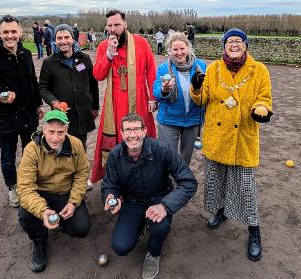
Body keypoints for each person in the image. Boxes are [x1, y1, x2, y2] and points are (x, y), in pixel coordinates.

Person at [190, 27, 273, 262]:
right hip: (216, 139)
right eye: (229, 42)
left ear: (246, 45)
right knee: (217, 180)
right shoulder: (214, 69)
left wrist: (261, 111)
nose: (234, 45)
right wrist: (196, 86)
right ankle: (221, 211)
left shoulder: (259, 70)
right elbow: (201, 100)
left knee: (246, 187)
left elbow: (264, 99)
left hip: (242, 139)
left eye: (239, 41)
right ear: (223, 46)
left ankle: (254, 229)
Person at [102, 113, 197, 279]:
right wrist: (111, 196)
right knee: (121, 247)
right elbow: (110, 183)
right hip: (132, 202)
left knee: (160, 228)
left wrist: (165, 206)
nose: (132, 135)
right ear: (122, 133)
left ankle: (153, 253)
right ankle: (140, 224)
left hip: (159, 199)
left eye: (137, 129)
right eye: (128, 130)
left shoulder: (162, 149)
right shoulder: (115, 155)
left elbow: (189, 182)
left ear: (145, 131)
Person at [0, 15, 44, 208]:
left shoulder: (26, 54)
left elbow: (33, 82)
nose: (10, 36)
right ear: (0, 33)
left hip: (28, 115)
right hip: (6, 118)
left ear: (20, 32)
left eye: (13, 31)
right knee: (8, 156)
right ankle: (13, 187)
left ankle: (28, 183)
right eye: (5, 32)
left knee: (30, 153)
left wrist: (38, 104)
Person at [17, 110, 91, 273]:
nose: (55, 138)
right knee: (26, 215)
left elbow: (82, 174)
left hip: (65, 193)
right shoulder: (31, 149)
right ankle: (39, 242)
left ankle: (62, 220)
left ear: (67, 129)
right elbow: (25, 188)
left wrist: (73, 201)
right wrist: (42, 211)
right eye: (51, 132)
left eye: (60, 132)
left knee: (81, 229)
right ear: (43, 130)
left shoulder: (76, 144)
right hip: (40, 193)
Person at [91, 10, 158, 184]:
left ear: (125, 24)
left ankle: (144, 176)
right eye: (110, 26)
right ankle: (117, 178)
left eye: (117, 25)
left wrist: (153, 97)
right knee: (117, 139)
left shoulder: (141, 43)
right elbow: (98, 75)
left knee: (140, 136)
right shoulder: (103, 47)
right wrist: (109, 54)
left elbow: (151, 71)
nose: (113, 29)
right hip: (114, 103)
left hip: (140, 100)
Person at [39, 23, 99, 150]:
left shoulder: (84, 59)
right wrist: (54, 102)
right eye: (59, 38)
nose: (63, 41)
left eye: (66, 37)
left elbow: (93, 84)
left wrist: (95, 107)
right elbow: (43, 88)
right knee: (61, 149)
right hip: (61, 115)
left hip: (82, 113)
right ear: (55, 40)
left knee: (80, 148)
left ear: (72, 38)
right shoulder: (49, 63)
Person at [153, 32, 206, 165]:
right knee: (167, 157)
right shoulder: (164, 68)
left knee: (185, 159)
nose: (179, 52)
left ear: (188, 47)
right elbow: (156, 91)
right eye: (175, 49)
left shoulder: (201, 66)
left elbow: (208, 90)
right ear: (169, 50)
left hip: (193, 120)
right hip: (169, 121)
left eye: (182, 48)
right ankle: (167, 184)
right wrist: (164, 90)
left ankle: (181, 183)